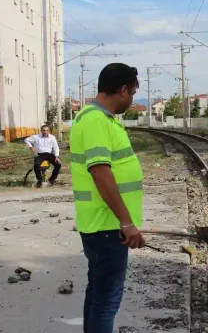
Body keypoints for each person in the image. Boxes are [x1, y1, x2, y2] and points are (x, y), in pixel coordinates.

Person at [69, 63, 145, 333]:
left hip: (105, 225)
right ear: (122, 89)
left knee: (99, 295)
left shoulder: (103, 119)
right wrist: (126, 222)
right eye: (133, 92)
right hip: (107, 226)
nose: (132, 99)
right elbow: (100, 172)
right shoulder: (95, 121)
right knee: (106, 302)